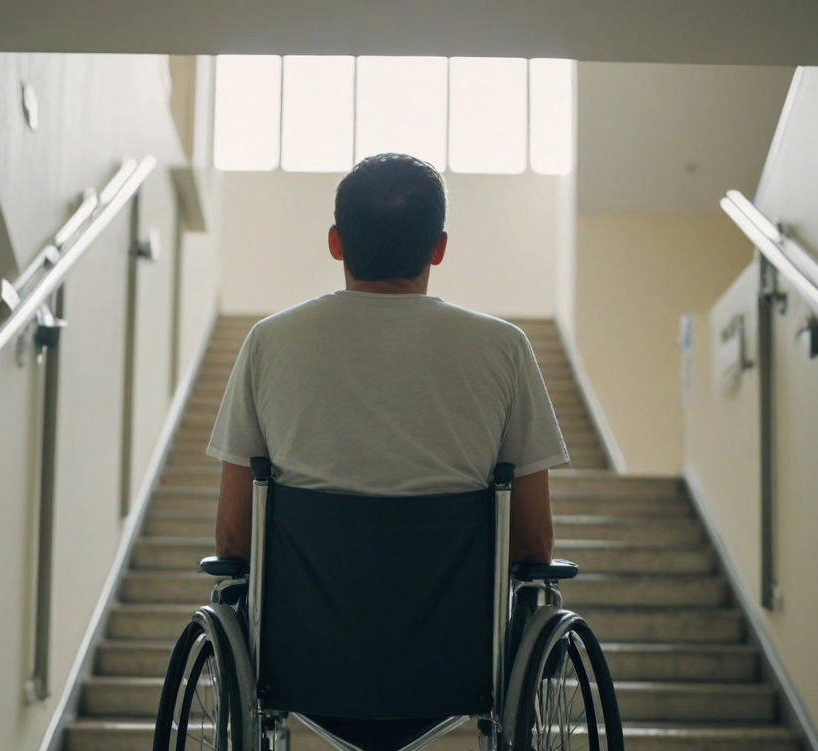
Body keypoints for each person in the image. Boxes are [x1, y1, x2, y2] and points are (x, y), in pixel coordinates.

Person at [207, 153, 567, 564]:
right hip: (456, 607)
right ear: (439, 248)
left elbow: (233, 539)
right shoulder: (505, 348)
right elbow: (533, 543)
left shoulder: (267, 342)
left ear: (335, 242)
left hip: (303, 606)